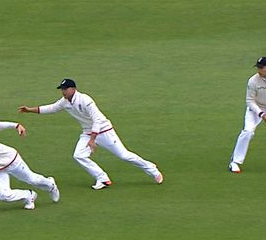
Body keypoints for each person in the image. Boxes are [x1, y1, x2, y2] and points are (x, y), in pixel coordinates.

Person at [18, 78, 163, 190]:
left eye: (65, 89)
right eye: (62, 89)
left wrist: (93, 139)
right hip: (88, 133)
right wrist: (29, 110)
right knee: (78, 155)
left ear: (73, 89)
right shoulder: (65, 101)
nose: (63, 92)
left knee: (124, 155)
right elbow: (51, 108)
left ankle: (152, 169)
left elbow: (97, 119)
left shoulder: (85, 99)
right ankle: (102, 178)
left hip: (104, 131)